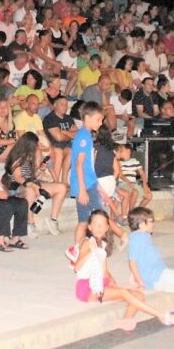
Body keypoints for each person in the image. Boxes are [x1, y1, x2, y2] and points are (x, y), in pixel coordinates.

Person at [74, 210, 174, 331]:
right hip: (87, 287)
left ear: (107, 227)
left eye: (102, 224)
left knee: (138, 295)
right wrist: (90, 252)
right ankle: (162, 316)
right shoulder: (87, 243)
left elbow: (105, 271)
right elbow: (77, 267)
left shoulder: (101, 244)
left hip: (101, 283)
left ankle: (125, 321)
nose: (99, 228)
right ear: (90, 227)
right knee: (124, 293)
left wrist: (115, 285)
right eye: (96, 224)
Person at [70, 102, 107, 245]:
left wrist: (97, 185)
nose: (101, 123)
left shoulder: (86, 135)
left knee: (85, 219)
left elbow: (88, 166)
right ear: (87, 117)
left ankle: (81, 246)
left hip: (89, 183)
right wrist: (82, 190)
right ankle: (86, 246)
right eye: (98, 119)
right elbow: (79, 165)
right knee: (96, 217)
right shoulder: (84, 137)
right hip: (84, 185)